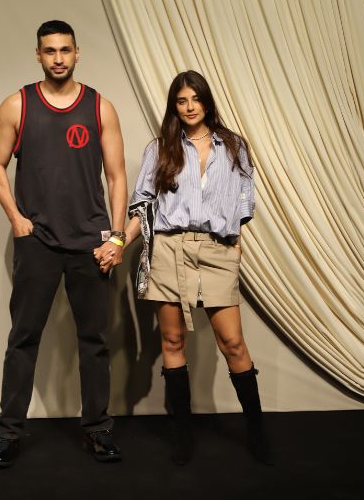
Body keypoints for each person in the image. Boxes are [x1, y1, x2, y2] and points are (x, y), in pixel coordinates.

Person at [96, 70, 274, 465]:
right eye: (181, 101)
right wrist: (119, 241)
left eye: (195, 99)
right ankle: (183, 438)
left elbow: (244, 202)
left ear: (207, 102)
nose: (190, 107)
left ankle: (258, 434)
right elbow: (143, 204)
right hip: (169, 248)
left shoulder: (234, 147)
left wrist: (235, 246)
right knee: (173, 341)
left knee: (233, 343)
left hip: (217, 250)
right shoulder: (160, 148)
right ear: (174, 106)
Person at [0, 20, 127, 468]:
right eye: (50, 51)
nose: (59, 58)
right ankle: (7, 434)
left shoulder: (100, 107)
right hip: (39, 240)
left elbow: (117, 176)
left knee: (94, 341)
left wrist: (118, 236)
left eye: (65, 50)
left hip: (91, 243)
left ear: (77, 53)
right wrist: (16, 219)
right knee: (23, 339)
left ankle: (97, 430)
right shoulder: (17, 105)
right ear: (38, 55)